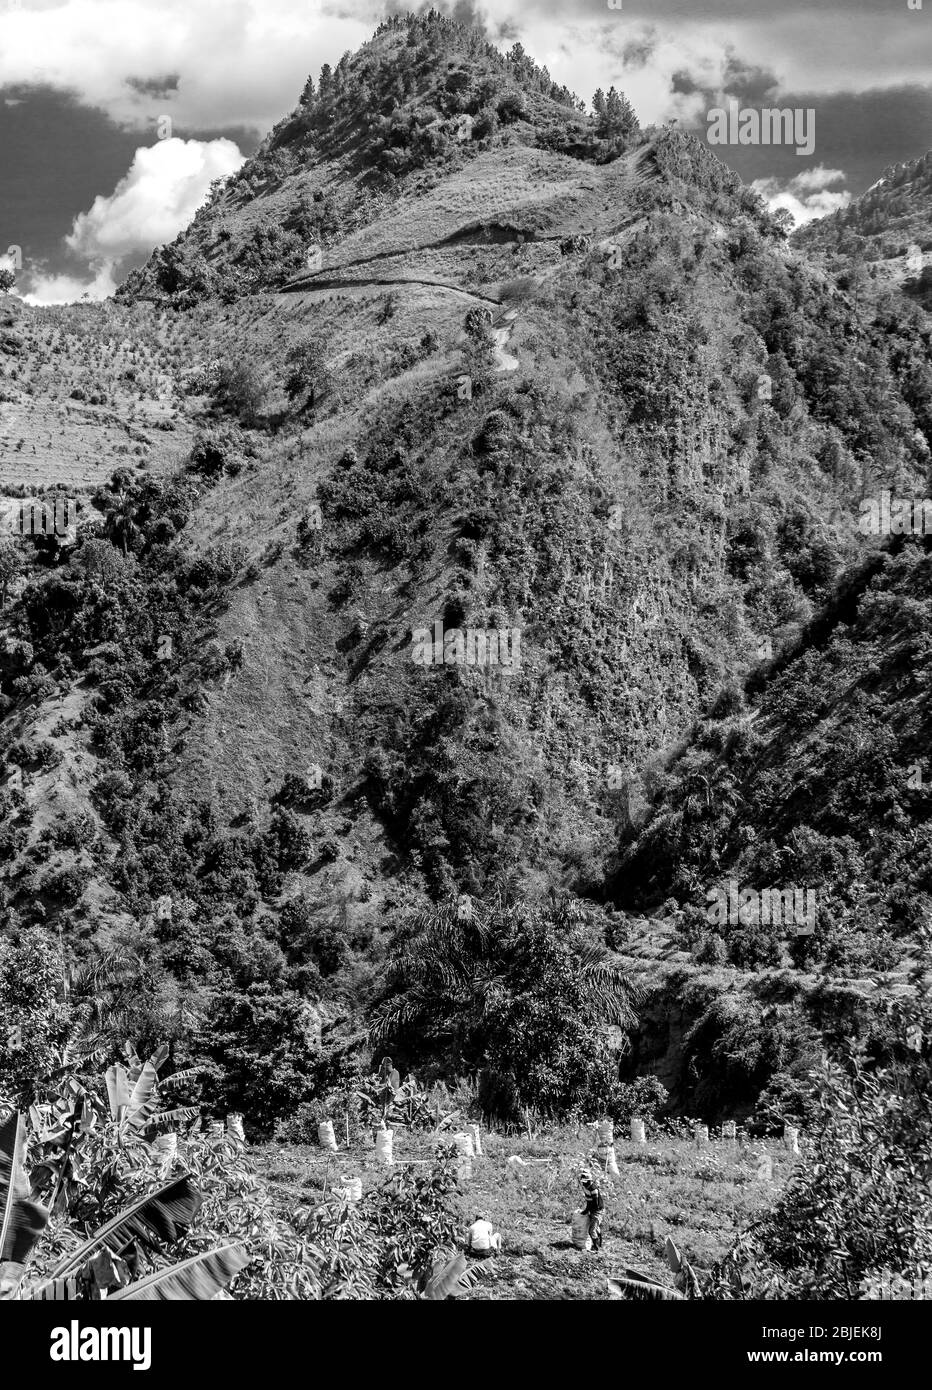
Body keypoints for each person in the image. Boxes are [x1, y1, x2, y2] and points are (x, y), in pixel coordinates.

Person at [580, 1170, 604, 1251]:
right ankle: (599, 1244)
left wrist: (588, 1211)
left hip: (597, 1211)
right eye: (582, 1181)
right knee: (595, 1228)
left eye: (584, 1181)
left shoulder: (593, 1188)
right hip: (593, 1210)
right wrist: (586, 1210)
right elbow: (588, 1200)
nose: (583, 1182)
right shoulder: (586, 1187)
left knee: (591, 1230)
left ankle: (596, 1247)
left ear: (589, 1181)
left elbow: (595, 1203)